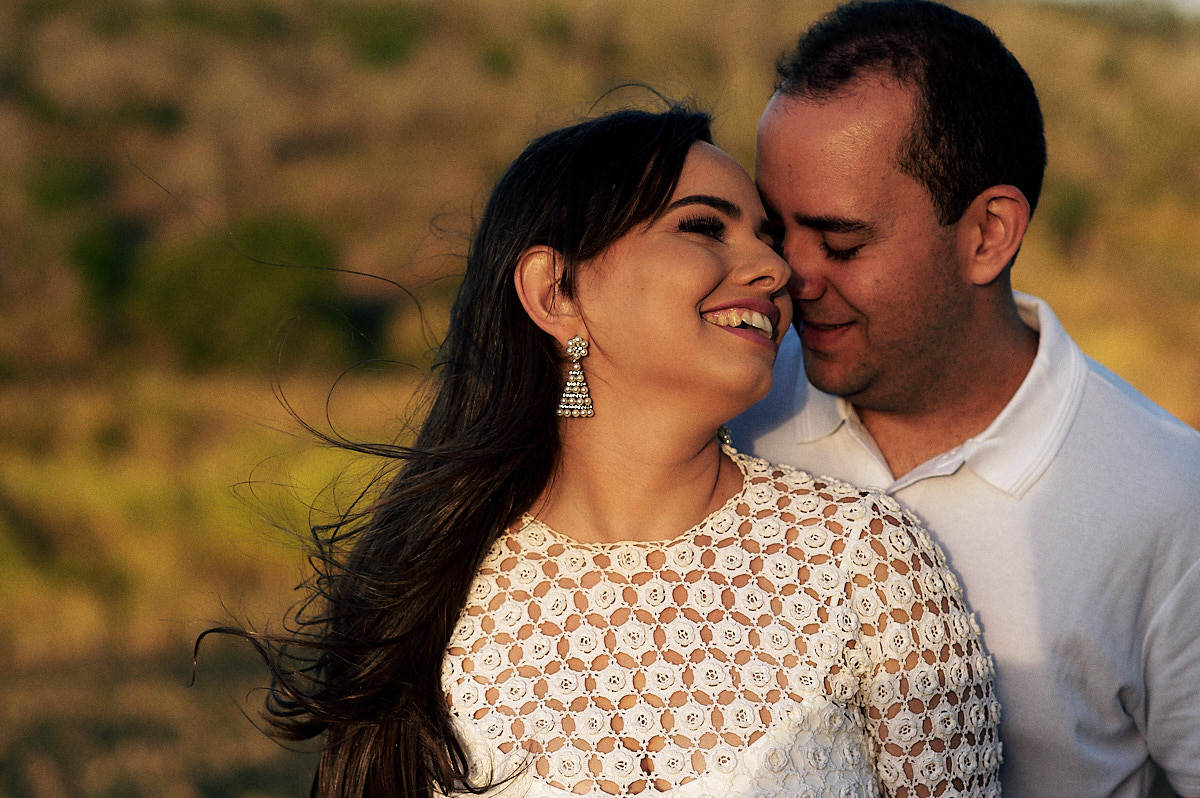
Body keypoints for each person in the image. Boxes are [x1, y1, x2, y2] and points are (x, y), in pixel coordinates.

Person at [206, 105, 1003, 796]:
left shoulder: (864, 563)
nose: (774, 269)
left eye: (766, 237)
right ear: (555, 292)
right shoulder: (440, 592)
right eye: (702, 227)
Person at [727, 2, 1200, 796]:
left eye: (840, 242)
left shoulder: (1171, 500)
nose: (789, 276)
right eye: (776, 231)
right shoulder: (730, 409)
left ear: (987, 234)